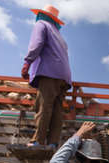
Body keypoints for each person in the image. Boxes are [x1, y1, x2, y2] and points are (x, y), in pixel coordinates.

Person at [21, 4, 72, 149]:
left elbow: (36, 44)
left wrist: (27, 63)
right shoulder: (59, 35)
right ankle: (53, 143)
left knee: (44, 106)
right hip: (64, 76)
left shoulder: (41, 24)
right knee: (57, 109)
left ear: (42, 15)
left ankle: (38, 140)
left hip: (49, 72)